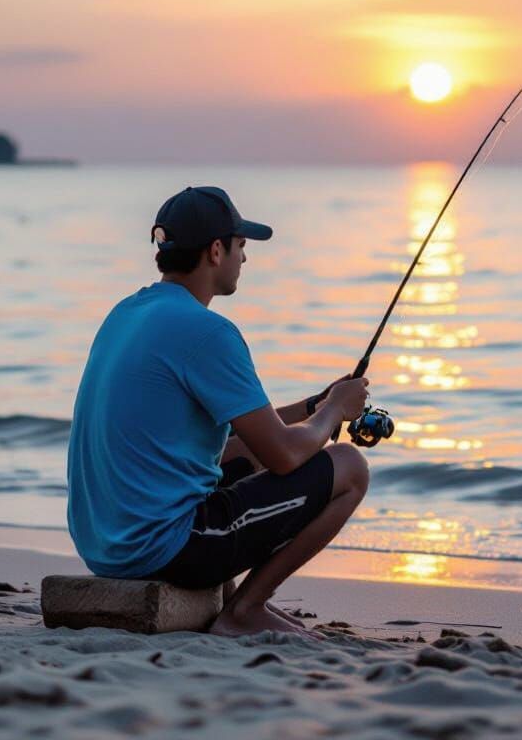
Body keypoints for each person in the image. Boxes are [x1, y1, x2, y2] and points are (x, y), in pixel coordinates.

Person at [67, 185, 370, 636]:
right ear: (215, 251)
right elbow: (284, 455)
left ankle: (231, 600)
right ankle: (246, 609)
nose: (244, 259)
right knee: (349, 467)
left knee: (231, 452)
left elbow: (256, 434)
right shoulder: (208, 333)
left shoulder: (126, 313)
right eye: (241, 246)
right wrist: (331, 415)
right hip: (161, 548)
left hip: (103, 543)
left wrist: (315, 405)